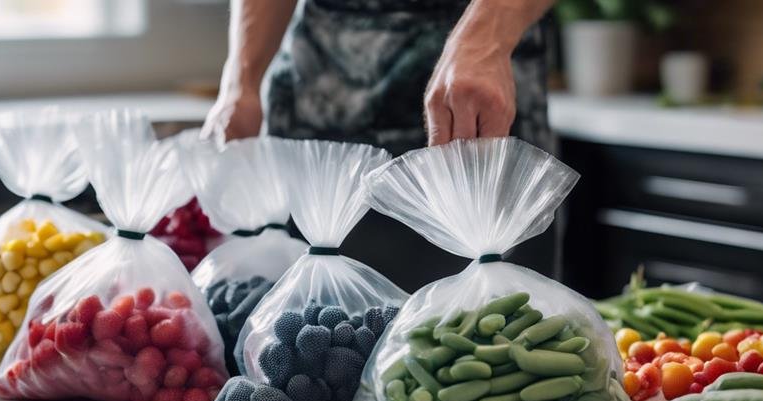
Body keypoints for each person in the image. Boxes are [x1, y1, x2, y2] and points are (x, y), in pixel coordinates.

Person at [202, 0, 559, 290]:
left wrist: (484, 38)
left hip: (478, 114)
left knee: (500, 340)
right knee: (321, 340)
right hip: (321, 135)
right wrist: (240, 82)